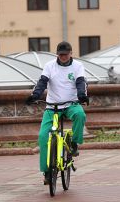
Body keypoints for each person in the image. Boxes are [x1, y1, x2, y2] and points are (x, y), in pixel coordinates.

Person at [25, 41, 89, 184]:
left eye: (65, 54)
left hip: (71, 103)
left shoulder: (78, 66)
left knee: (80, 115)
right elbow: (42, 82)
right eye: (60, 55)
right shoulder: (49, 66)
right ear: (57, 54)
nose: (63, 57)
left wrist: (82, 96)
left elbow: (81, 83)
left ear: (71, 53)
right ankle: (47, 172)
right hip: (52, 106)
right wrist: (35, 95)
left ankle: (74, 143)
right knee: (43, 136)